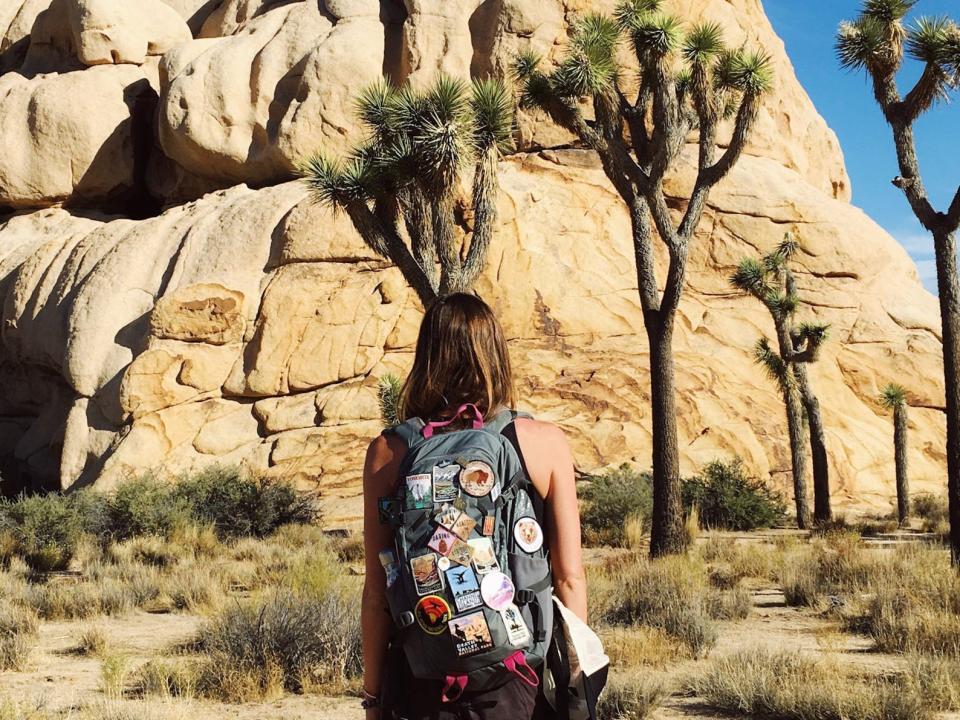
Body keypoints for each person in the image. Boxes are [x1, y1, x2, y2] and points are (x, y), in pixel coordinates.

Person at [361, 292, 588, 720]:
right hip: (517, 679)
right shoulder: (544, 442)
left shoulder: (388, 452)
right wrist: (577, 688)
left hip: (421, 680)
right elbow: (569, 577)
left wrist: (373, 699)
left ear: (427, 357)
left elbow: (376, 593)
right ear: (496, 355)